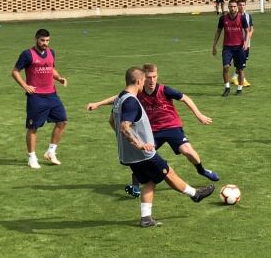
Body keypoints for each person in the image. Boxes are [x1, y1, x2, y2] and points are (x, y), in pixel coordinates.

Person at [87, 63, 220, 198]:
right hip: (152, 131)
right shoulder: (137, 92)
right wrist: (98, 104)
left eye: (154, 77)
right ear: (143, 79)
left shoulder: (164, 90)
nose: (152, 81)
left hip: (171, 127)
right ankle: (136, 187)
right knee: (144, 157)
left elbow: (185, 98)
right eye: (149, 77)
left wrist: (199, 115)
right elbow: (118, 97)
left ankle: (202, 171)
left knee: (188, 151)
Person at [109, 67, 214, 227]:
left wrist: (127, 141)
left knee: (150, 181)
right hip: (142, 154)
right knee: (168, 172)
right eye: (144, 80)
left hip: (127, 155)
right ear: (138, 81)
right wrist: (140, 144)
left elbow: (112, 121)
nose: (145, 83)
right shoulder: (131, 101)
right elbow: (124, 126)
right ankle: (195, 194)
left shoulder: (120, 98)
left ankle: (146, 219)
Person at [11, 28, 68, 169]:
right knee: (33, 126)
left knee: (62, 121)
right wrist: (25, 85)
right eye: (42, 40)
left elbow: (50, 68)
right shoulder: (27, 54)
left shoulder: (51, 52)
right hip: (36, 97)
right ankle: (31, 157)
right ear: (36, 39)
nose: (45, 43)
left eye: (47, 40)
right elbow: (15, 72)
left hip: (52, 94)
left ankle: (51, 152)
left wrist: (59, 78)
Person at [212, 0, 249, 97]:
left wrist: (246, 42)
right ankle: (227, 88)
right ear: (228, 7)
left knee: (240, 69)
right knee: (225, 67)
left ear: (237, 7)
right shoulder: (223, 18)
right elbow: (218, 31)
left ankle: (239, 89)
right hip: (227, 47)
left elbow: (247, 30)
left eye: (234, 6)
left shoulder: (242, 18)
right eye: (230, 6)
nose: (232, 8)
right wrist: (214, 45)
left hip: (239, 47)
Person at [233, 0, 253, 88]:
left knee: (244, 61)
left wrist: (249, 36)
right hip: (237, 43)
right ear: (237, 6)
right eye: (240, 5)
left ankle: (234, 77)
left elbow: (251, 28)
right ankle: (243, 80)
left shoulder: (248, 16)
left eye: (243, 5)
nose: (242, 6)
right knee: (241, 63)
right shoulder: (234, 16)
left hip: (247, 42)